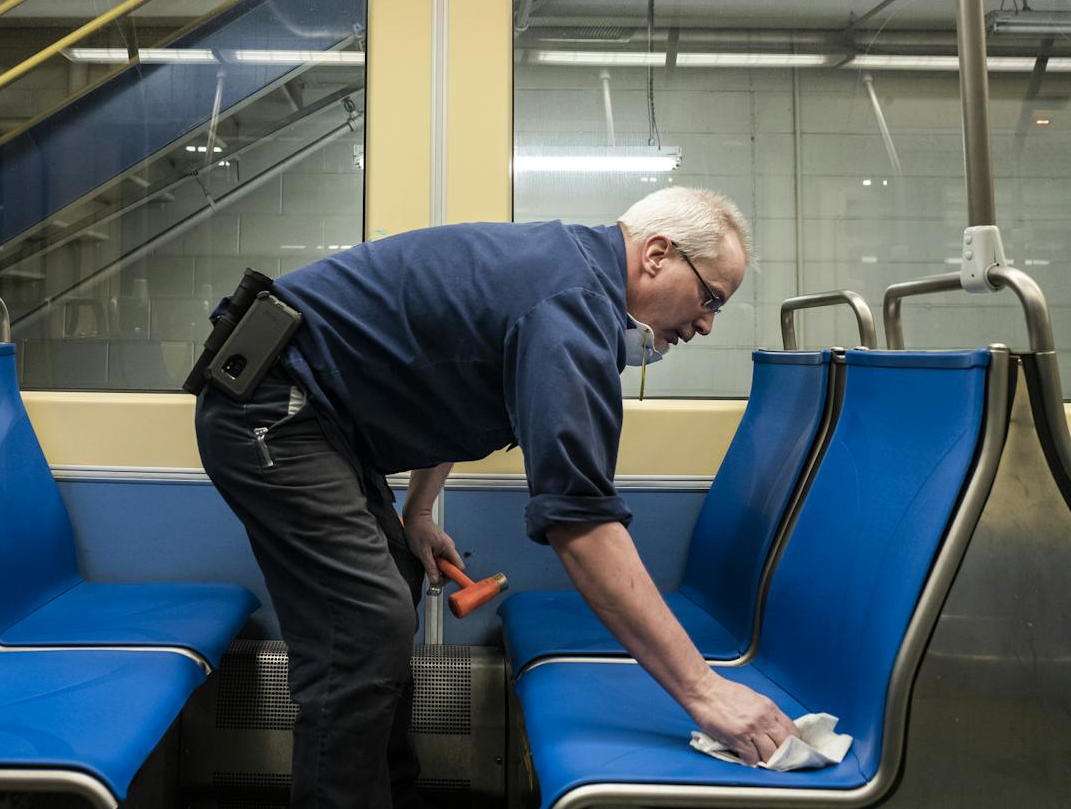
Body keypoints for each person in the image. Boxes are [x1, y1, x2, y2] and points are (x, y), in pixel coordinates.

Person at [194, 186, 798, 809]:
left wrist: (419, 511)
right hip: (272, 406)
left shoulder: (566, 279)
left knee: (393, 583)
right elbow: (580, 524)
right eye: (711, 299)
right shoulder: (571, 308)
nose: (705, 323)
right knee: (364, 622)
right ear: (657, 255)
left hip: (320, 419)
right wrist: (704, 691)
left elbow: (450, 375)